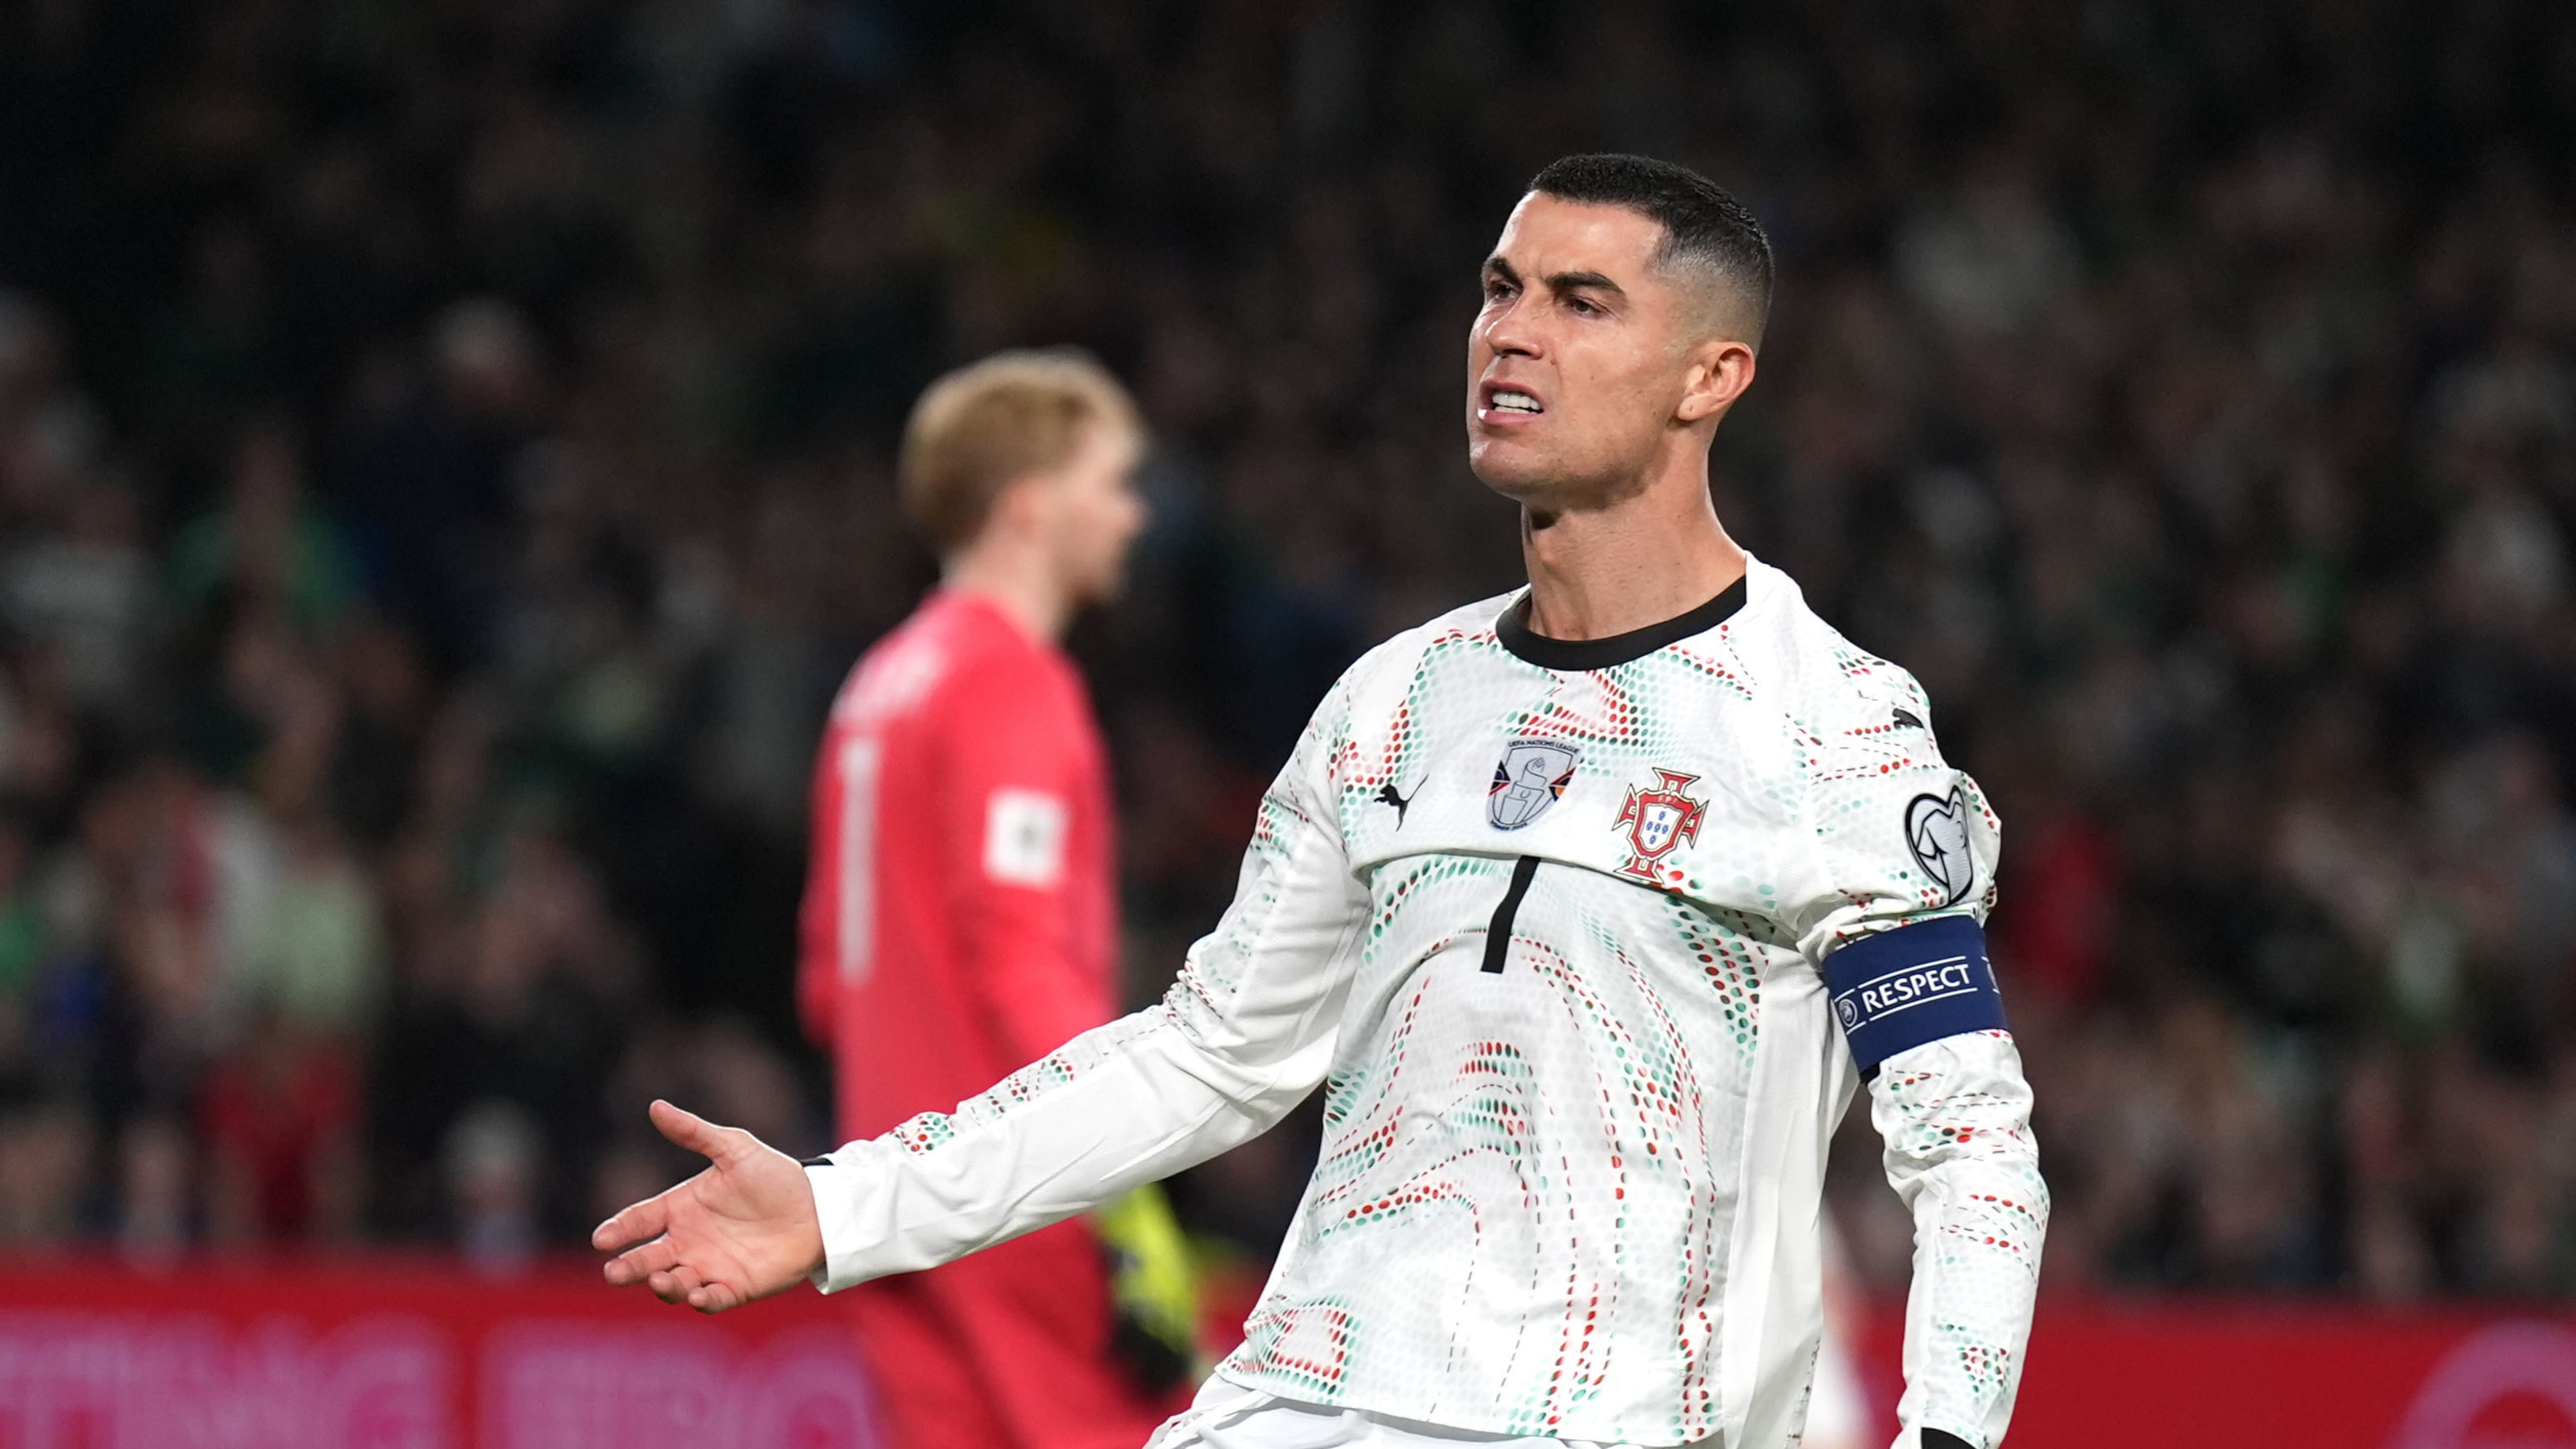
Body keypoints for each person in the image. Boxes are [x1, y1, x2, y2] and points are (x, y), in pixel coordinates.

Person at [597, 156, 2047, 1449]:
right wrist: (847, 1208)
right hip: (1306, 1399)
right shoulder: (1395, 703)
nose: (1511, 333)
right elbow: (1212, 1054)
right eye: (1500, 289)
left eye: (1582, 301)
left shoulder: (1832, 729)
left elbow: (1970, 1147)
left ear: (1711, 376)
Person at [791, 350, 1184, 1449]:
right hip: (1010, 1192)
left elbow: (827, 978)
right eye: (1110, 483)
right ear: (1027, 508)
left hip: (884, 1188)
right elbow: (1018, 958)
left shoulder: (879, 684)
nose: (1133, 515)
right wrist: (1127, 1184)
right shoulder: (1007, 681)